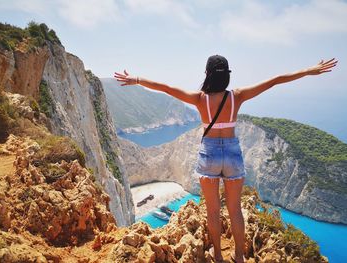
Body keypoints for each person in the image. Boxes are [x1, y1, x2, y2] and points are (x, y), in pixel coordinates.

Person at [114, 55, 337, 263]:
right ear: (227, 74)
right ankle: (239, 256)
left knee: (212, 210)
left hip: (209, 154)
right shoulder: (236, 96)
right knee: (235, 209)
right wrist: (308, 71)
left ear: (207, 74)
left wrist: (137, 79)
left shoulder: (199, 99)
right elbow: (274, 81)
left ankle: (218, 256)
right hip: (232, 153)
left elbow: (166, 88)